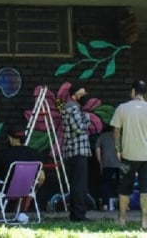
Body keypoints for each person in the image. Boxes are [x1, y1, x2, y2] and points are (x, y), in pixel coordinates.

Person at [110, 80, 147, 230]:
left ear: (133, 91)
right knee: (145, 189)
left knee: (124, 188)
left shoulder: (122, 108)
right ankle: (144, 222)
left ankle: (122, 220)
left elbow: (116, 131)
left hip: (128, 156)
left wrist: (118, 150)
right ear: (145, 94)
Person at [61, 83, 91, 222]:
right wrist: (87, 120)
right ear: (74, 96)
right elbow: (79, 128)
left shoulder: (74, 108)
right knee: (79, 185)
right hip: (77, 150)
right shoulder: (72, 108)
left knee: (77, 184)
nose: (84, 96)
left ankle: (76, 215)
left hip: (75, 151)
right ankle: (79, 216)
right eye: (81, 94)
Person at [95, 123, 121, 211]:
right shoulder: (120, 137)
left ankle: (105, 205)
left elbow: (97, 149)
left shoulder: (102, 136)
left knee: (105, 184)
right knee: (121, 184)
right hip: (119, 163)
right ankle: (124, 205)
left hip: (107, 161)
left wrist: (100, 163)